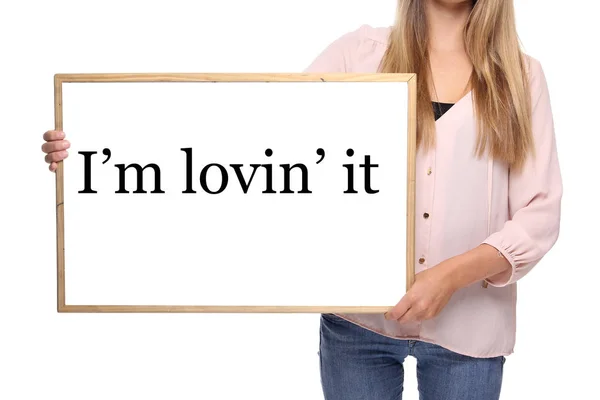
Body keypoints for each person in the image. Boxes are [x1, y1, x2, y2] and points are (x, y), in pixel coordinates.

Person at [41, 0, 562, 398]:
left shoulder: (522, 75)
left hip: (470, 332)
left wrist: (449, 276)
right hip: (357, 324)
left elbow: (539, 211)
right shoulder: (359, 54)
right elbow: (257, 149)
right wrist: (96, 147)